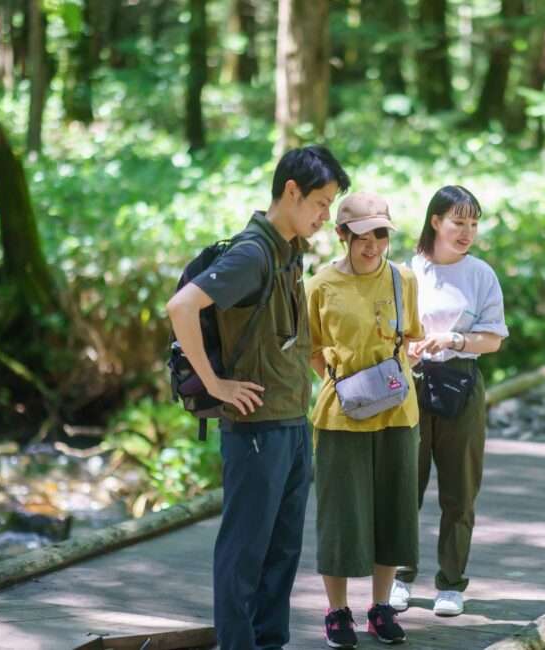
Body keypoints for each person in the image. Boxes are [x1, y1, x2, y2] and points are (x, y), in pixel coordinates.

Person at [166, 145, 350, 650]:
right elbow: (181, 307)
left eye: (331, 205)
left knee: (282, 550)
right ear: (291, 191)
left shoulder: (288, 251)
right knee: (245, 552)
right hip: (254, 430)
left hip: (290, 422)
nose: (324, 215)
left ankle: (270, 643)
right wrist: (217, 383)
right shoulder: (253, 252)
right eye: (320, 202)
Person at [306, 192, 424, 648]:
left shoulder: (404, 280)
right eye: (361, 236)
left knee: (394, 512)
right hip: (340, 417)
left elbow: (411, 337)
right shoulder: (318, 286)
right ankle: (337, 612)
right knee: (340, 516)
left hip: (398, 412)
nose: (372, 244)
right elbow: (311, 351)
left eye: (380, 234)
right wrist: (349, 387)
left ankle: (380, 609)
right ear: (341, 236)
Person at [390, 185, 508, 617]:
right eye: (458, 222)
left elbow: (493, 340)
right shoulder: (407, 273)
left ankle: (451, 584)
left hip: (462, 385)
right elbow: (389, 331)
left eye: (473, 224)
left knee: (460, 489)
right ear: (435, 221)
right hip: (412, 386)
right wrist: (411, 345)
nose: (467, 232)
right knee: (406, 484)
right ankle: (400, 578)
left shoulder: (481, 275)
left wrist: (454, 338)